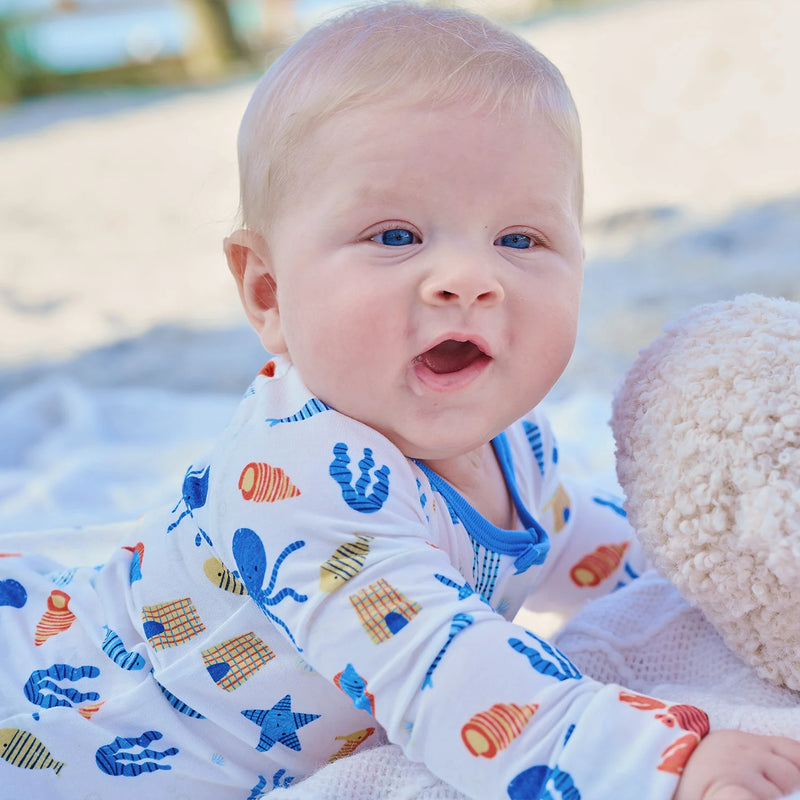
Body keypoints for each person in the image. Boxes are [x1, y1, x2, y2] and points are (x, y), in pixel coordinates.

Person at [2, 4, 799, 799]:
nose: (468, 277)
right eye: (395, 236)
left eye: (520, 239)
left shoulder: (514, 440)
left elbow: (585, 547)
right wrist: (665, 762)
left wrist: (744, 589)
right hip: (57, 720)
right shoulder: (297, 487)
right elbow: (455, 683)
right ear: (269, 291)